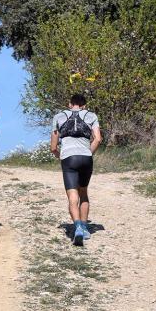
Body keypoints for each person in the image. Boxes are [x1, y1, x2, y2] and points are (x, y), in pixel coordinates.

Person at [50, 93, 102, 246]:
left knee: (73, 196)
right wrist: (89, 153)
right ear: (84, 106)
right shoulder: (91, 116)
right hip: (86, 158)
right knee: (83, 193)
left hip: (68, 158)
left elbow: (53, 147)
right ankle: (85, 229)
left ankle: (77, 226)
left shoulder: (58, 117)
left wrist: (61, 156)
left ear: (69, 104)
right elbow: (98, 139)